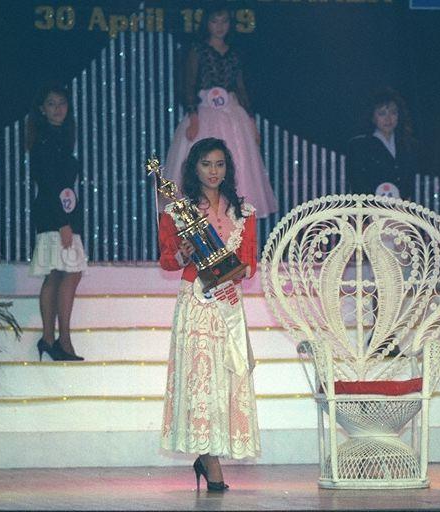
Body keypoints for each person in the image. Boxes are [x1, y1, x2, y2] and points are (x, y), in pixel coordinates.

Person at [158, 138, 260, 491]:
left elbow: (251, 262)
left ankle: (207, 456)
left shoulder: (244, 212)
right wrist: (185, 254)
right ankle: (209, 462)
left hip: (228, 302)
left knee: (225, 379)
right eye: (206, 164)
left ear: (227, 168)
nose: (214, 171)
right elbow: (168, 261)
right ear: (194, 168)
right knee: (200, 379)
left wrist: (237, 273)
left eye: (220, 164)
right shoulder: (178, 212)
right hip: (196, 303)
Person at [164, 6, 277, 218]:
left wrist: (251, 120)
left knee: (238, 163)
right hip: (205, 112)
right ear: (207, 23)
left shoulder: (235, 52)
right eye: (215, 22)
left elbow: (241, 88)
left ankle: (233, 218)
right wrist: (193, 117)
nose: (220, 27)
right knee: (201, 160)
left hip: (233, 115)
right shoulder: (198, 50)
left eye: (224, 22)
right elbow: (188, 85)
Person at [26, 84, 86, 362]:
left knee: (57, 274)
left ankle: (50, 339)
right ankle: (63, 340)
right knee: (70, 273)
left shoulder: (59, 137)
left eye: (62, 103)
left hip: (59, 212)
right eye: (51, 103)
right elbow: (49, 184)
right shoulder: (45, 140)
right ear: (41, 108)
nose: (58, 108)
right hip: (55, 215)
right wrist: (64, 223)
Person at [346, 87, 419, 200]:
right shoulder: (359, 145)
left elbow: (409, 184)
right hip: (370, 211)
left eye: (393, 113)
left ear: (399, 116)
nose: (388, 118)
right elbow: (358, 184)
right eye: (382, 113)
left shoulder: (409, 145)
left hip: (402, 210)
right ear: (372, 117)